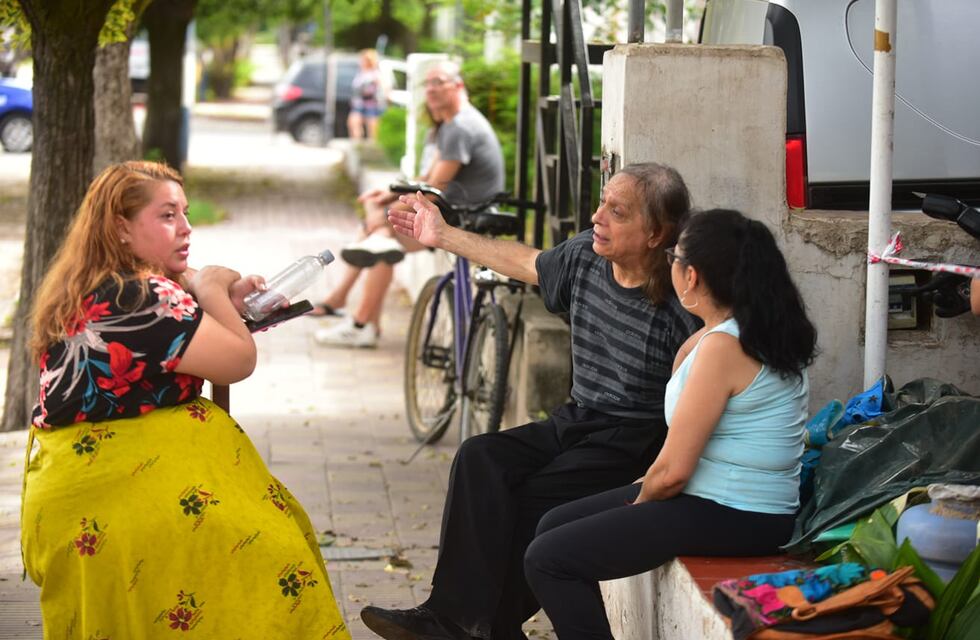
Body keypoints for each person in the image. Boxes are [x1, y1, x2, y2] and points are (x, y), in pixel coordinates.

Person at [361, 163, 703, 640]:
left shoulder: (680, 296)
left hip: (635, 436)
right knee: (480, 458)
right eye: (602, 202)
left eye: (617, 211)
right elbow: (525, 262)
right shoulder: (586, 255)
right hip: (577, 417)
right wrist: (442, 234)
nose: (597, 217)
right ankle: (450, 617)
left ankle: (489, 627)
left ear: (656, 233)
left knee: (530, 502)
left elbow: (706, 386)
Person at [22, 161, 350, 639]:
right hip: (118, 506)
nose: (186, 226)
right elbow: (237, 360)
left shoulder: (95, 281)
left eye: (186, 212)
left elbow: (183, 304)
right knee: (276, 557)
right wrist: (215, 290)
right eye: (167, 215)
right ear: (121, 227)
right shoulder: (144, 294)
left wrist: (205, 288)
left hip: (78, 500)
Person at [522, 209, 818, 640]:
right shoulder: (739, 330)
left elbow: (674, 471)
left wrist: (641, 504)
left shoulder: (724, 346)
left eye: (674, 257)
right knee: (552, 525)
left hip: (737, 513)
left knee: (548, 558)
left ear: (692, 275)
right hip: (726, 502)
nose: (669, 264)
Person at [313, 60, 504, 348]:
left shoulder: (460, 127)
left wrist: (386, 213)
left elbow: (432, 192)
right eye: (428, 83)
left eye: (439, 82)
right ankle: (355, 315)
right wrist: (388, 197)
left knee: (382, 237)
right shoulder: (455, 123)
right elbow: (428, 179)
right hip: (458, 212)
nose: (431, 89)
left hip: (464, 217)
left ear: (458, 85)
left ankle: (360, 322)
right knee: (380, 237)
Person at [348, 48, 385, 141]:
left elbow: (380, 88)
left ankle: (371, 148)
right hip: (359, 103)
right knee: (353, 123)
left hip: (371, 104)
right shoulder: (360, 74)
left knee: (373, 130)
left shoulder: (375, 74)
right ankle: (358, 144)